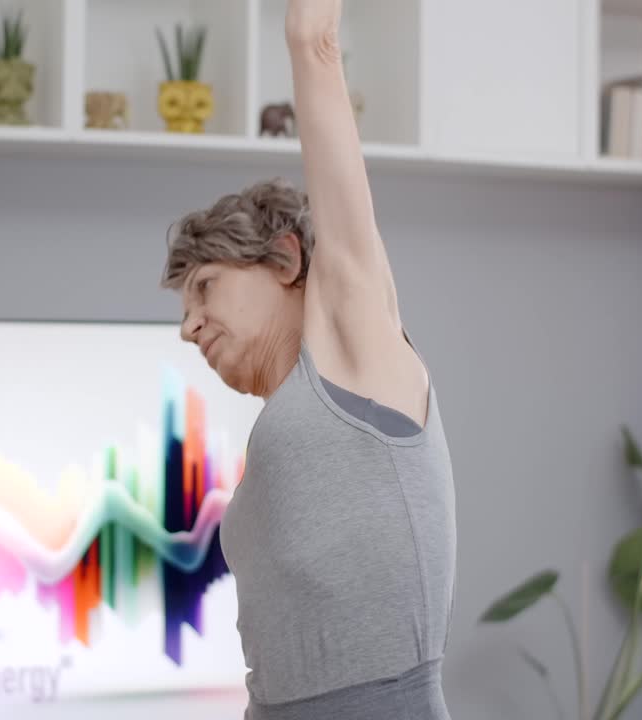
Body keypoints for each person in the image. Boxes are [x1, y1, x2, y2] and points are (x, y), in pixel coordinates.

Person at [159, 1, 456, 718]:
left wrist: (309, 38)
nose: (189, 328)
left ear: (287, 259)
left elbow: (316, 47)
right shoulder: (285, 420)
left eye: (205, 288)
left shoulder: (358, 348)